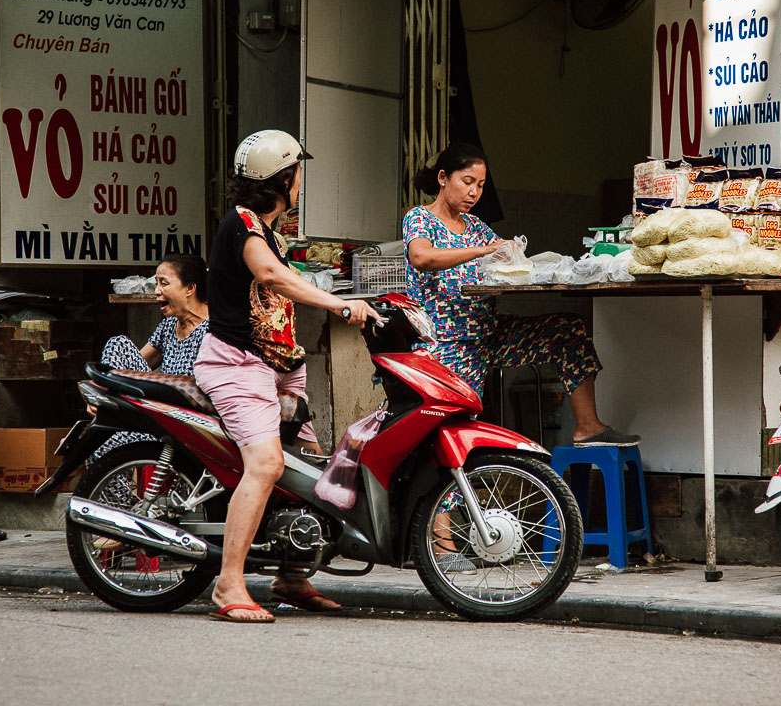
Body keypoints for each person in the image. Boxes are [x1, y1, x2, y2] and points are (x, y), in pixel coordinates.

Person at [196, 129, 380, 623]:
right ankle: (228, 584)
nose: (302, 181)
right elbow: (273, 277)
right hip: (238, 365)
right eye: (298, 172)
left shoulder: (270, 227)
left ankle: (292, 576)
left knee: (312, 473)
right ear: (283, 177)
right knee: (266, 466)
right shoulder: (243, 226)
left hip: (281, 367)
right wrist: (341, 304)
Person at [403, 142, 637, 447]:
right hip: (447, 345)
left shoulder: (475, 225)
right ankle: (449, 494)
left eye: (481, 185)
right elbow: (422, 257)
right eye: (467, 182)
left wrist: (516, 256)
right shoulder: (420, 219)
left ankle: (588, 427)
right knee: (455, 435)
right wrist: (484, 250)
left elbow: (506, 258)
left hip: (489, 335)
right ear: (443, 178)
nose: (474, 192)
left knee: (568, 331)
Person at [93, 254, 209, 458]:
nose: (157, 291)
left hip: (189, 420)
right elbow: (131, 367)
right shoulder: (168, 327)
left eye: (164, 283)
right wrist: (100, 390)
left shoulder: (215, 330)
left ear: (190, 288)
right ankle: (106, 408)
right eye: (156, 284)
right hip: (158, 412)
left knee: (109, 443)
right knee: (118, 344)